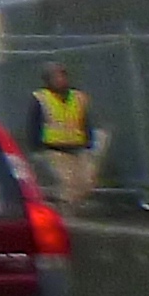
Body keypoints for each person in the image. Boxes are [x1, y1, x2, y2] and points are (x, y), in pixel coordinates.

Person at [27, 64, 97, 211]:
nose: (60, 80)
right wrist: (36, 147)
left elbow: (85, 120)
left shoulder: (78, 97)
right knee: (68, 181)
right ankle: (67, 209)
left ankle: (65, 204)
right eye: (55, 77)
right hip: (54, 148)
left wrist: (89, 141)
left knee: (87, 181)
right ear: (48, 80)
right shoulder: (41, 98)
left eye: (62, 76)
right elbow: (34, 123)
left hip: (78, 146)